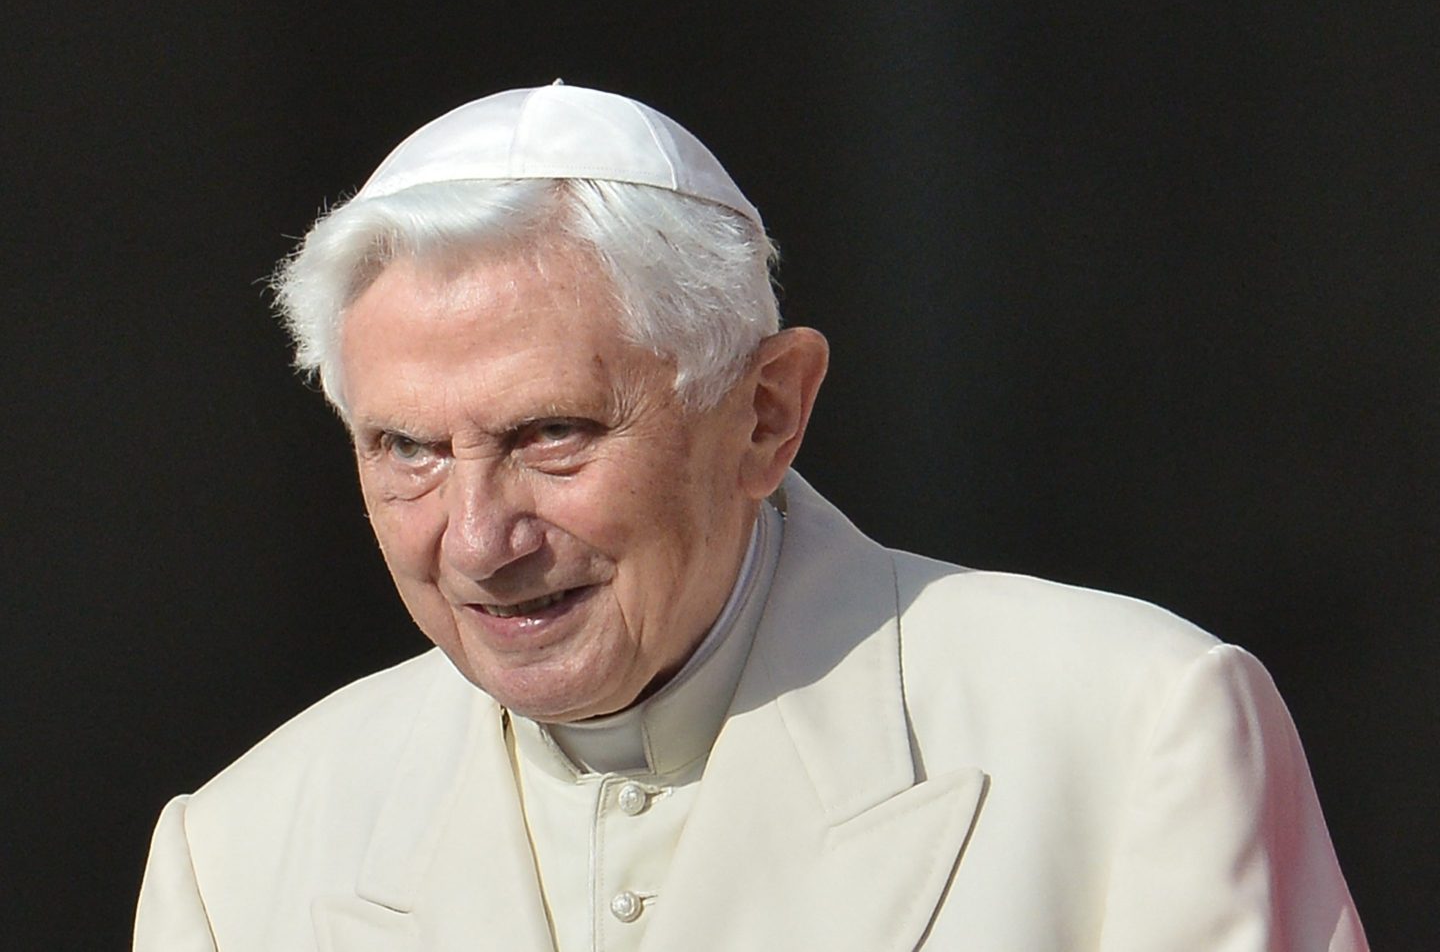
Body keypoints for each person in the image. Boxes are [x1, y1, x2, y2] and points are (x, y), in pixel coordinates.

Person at [134, 83, 1368, 951]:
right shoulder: (238, 854)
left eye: (550, 433)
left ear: (767, 414)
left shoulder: (1131, 730)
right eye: (406, 448)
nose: (476, 538)